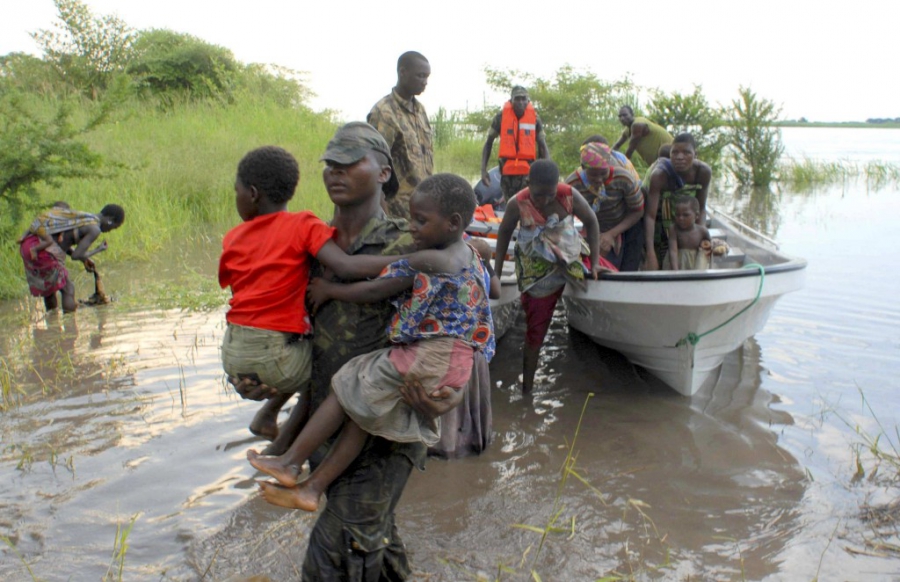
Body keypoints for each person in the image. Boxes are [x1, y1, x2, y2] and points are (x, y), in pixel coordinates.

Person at [231, 122, 464, 580]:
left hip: (385, 433)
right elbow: (276, 328)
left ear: (383, 172)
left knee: (333, 556)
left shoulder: (413, 243)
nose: (335, 172)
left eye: (349, 162)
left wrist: (454, 394)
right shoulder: (303, 242)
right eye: (329, 164)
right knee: (375, 540)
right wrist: (259, 381)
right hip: (323, 424)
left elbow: (459, 328)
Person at [247, 174, 497, 512]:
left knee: (347, 382)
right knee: (363, 416)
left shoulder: (435, 261)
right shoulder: (469, 256)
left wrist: (331, 290)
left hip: (431, 356)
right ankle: (311, 489)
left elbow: (375, 285)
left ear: (453, 223)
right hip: (454, 363)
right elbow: (488, 304)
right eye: (411, 218)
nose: (411, 227)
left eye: (420, 220)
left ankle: (290, 461)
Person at [218, 145, 406, 441]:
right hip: (277, 356)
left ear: (252, 194)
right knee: (327, 364)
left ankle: (273, 426)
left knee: (301, 353)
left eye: (236, 191)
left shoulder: (232, 237)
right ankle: (283, 442)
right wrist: (412, 262)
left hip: (232, 350)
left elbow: (236, 286)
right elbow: (345, 265)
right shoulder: (304, 225)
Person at [493, 160, 602, 393]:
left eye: (549, 195)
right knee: (535, 332)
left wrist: (593, 262)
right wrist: (497, 274)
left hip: (569, 255)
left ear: (558, 186)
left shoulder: (568, 195)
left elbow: (592, 222)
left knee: (605, 272)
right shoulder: (517, 203)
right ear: (528, 184)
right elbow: (503, 235)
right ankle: (527, 390)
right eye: (538, 195)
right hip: (538, 272)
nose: (543, 201)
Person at [19, 202, 125, 313]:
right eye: (113, 227)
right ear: (110, 220)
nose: (110, 230)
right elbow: (76, 255)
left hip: (29, 244)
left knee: (50, 290)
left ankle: (52, 321)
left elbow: (63, 240)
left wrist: (85, 259)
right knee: (68, 289)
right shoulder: (95, 229)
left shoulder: (83, 218)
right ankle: (69, 323)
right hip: (43, 252)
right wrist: (99, 249)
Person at [367, 51, 433, 220]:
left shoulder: (420, 110)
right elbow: (373, 167)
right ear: (402, 72)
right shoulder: (384, 112)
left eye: (427, 77)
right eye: (420, 76)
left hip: (422, 208)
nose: (425, 82)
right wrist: (384, 218)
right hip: (395, 213)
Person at [565, 139, 645, 271]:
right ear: (584, 168)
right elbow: (566, 217)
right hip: (592, 229)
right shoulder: (573, 184)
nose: (599, 179)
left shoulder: (623, 178)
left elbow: (638, 211)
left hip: (625, 227)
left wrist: (612, 234)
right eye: (593, 175)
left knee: (625, 273)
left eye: (603, 173)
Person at [642, 133, 712, 271]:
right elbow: (650, 216)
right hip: (659, 213)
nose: (680, 157)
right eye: (675, 152)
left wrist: (698, 236)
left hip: (684, 210)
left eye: (686, 152)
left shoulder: (703, 172)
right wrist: (650, 254)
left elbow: (701, 208)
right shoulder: (660, 175)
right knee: (658, 261)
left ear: (695, 154)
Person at [480, 86, 550, 203]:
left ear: (528, 101)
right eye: (517, 99)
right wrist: (483, 170)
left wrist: (548, 172)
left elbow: (543, 145)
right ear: (511, 100)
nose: (521, 102)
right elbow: (489, 142)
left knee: (527, 205)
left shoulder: (535, 118)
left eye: (524, 99)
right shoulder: (501, 117)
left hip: (528, 173)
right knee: (511, 205)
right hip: (507, 173)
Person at [664, 196, 711, 271]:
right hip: (676, 263)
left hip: (696, 264)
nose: (681, 218)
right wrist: (675, 271)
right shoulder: (674, 229)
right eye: (677, 215)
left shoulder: (702, 231)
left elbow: (709, 247)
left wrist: (717, 245)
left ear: (697, 215)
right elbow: (673, 250)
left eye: (685, 215)